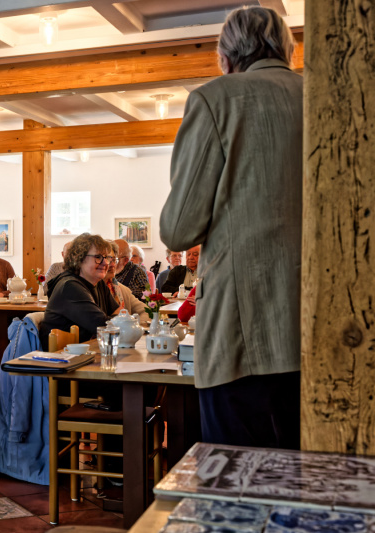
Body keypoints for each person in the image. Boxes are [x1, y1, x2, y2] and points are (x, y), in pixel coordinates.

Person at [160, 6, 302, 449]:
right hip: (324, 322)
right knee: (319, 480)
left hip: (245, 326)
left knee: (238, 478)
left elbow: (179, 229)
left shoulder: (216, 98)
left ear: (226, 55)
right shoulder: (330, 94)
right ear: (286, 47)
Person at [39, 233, 119, 349]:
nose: (106, 263)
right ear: (79, 259)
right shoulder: (70, 287)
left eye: (106, 257)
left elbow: (118, 312)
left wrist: (121, 322)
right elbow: (104, 327)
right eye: (98, 257)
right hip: (64, 360)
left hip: (88, 354)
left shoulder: (98, 282)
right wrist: (125, 323)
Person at [104, 240, 145, 316]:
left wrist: (133, 324)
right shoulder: (91, 289)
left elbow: (145, 310)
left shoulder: (121, 289)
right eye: (108, 259)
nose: (112, 264)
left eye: (115, 259)